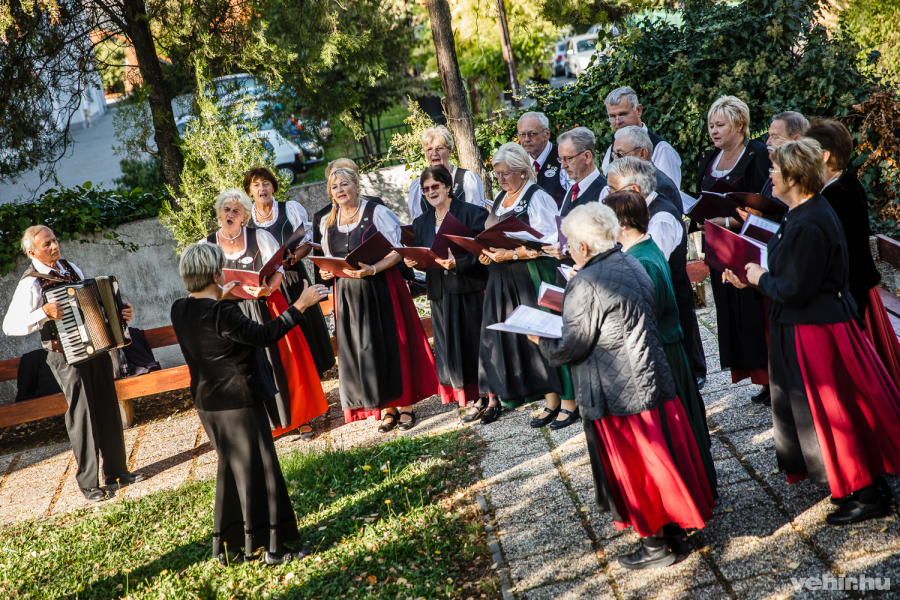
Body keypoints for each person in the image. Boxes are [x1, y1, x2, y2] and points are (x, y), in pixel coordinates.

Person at [724, 139, 900, 526]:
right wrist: (753, 280)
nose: (768, 175)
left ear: (793, 177)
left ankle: (868, 492)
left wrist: (760, 278)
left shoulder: (808, 221)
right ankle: (855, 486)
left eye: (774, 170)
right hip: (814, 326)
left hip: (817, 332)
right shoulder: (803, 211)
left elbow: (795, 289)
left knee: (835, 411)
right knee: (830, 411)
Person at [532, 203, 713, 569]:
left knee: (639, 469)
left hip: (617, 390)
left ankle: (655, 546)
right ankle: (673, 531)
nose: (567, 248)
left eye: (570, 242)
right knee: (662, 461)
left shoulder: (585, 283)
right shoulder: (630, 261)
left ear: (584, 246)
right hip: (651, 377)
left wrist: (541, 341)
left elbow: (573, 345)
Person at [171, 243, 328, 565]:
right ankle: (276, 547)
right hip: (239, 402)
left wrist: (221, 296)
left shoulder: (180, 309)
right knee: (262, 471)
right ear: (216, 274)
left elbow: (210, 321)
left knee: (232, 471)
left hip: (208, 404)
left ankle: (229, 548)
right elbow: (264, 334)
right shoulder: (223, 312)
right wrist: (300, 304)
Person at [2, 226, 144, 502]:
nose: (54, 246)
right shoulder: (31, 283)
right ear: (33, 252)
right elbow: (10, 326)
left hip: (96, 348)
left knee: (107, 406)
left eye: (55, 240)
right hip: (65, 356)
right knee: (82, 415)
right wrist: (42, 312)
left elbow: (93, 304)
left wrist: (119, 314)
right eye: (47, 244)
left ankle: (117, 472)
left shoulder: (70, 268)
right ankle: (88, 484)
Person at [603, 189, 717, 497]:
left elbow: (640, 316)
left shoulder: (642, 261)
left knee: (675, 432)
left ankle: (685, 492)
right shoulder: (643, 249)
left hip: (662, 351)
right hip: (666, 346)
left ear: (623, 225)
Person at [200, 189, 328, 439]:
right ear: (218, 213)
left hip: (266, 305)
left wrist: (270, 286)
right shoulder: (207, 245)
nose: (230, 214)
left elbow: (278, 268)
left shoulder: (260, 237)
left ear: (245, 215)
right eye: (226, 209)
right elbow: (204, 285)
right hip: (231, 312)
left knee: (284, 361)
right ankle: (265, 424)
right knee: (245, 369)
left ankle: (300, 418)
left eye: (236, 210)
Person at [318, 167, 437, 431]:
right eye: (334, 186)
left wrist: (372, 269)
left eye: (344, 184)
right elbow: (330, 260)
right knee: (367, 349)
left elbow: (396, 250)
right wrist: (327, 271)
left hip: (382, 287)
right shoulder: (327, 222)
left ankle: (406, 406)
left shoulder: (377, 213)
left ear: (357, 186)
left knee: (392, 343)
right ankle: (387, 407)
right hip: (350, 296)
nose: (339, 190)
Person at [477, 143, 576, 427]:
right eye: (497, 174)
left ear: (523, 171)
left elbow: (549, 242)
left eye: (506, 173)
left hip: (534, 275)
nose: (501, 179)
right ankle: (550, 400)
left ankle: (569, 400)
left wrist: (512, 253)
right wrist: (487, 253)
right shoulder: (499, 198)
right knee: (529, 340)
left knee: (546, 332)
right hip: (505, 277)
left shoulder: (537, 197)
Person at [805, 119, 900, 384]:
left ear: (823, 156)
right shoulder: (839, 183)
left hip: (852, 293)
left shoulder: (839, 194)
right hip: (853, 289)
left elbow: (849, 254)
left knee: (863, 371)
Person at [605, 143, 708, 389]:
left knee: (678, 372)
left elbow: (649, 267)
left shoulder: (660, 217)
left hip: (666, 305)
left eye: (612, 189)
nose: (607, 195)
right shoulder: (642, 211)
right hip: (656, 305)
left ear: (633, 190)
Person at [696, 95, 772, 403]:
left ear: (739, 124)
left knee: (757, 313)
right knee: (733, 313)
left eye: (720, 125)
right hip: (720, 248)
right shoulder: (707, 158)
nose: (713, 131)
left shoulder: (758, 155)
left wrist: (726, 218)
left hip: (749, 246)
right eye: (710, 125)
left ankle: (775, 377)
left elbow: (765, 204)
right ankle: (761, 379)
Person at [405, 165, 490, 421]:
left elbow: (484, 251)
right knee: (451, 348)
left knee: (473, 343)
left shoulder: (471, 213)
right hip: (440, 293)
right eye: (426, 189)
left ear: (448, 187)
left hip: (468, 288)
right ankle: (469, 395)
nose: (431, 191)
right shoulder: (421, 222)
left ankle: (485, 396)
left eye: (435, 186)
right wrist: (414, 261)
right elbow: (426, 254)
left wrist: (459, 263)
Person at [244, 167, 336, 383]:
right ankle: (294, 386)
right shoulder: (246, 219)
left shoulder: (290, 209)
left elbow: (306, 242)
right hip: (269, 287)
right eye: (256, 184)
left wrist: (292, 258)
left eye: (266, 183)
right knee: (282, 335)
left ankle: (316, 386)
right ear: (249, 191)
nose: (262, 188)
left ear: (273, 186)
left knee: (306, 329)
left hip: (293, 279)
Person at [540, 127, 606, 286]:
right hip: (566, 279)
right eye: (560, 159)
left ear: (587, 156)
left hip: (591, 281)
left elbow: (606, 243)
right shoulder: (572, 188)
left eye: (568, 159)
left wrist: (566, 250)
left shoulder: (604, 191)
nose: (562, 166)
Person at [312, 159, 385, 287]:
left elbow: (392, 246)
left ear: (356, 183)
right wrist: (324, 274)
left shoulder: (375, 208)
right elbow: (324, 257)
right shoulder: (323, 218)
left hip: (377, 281)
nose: (339, 188)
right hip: (344, 286)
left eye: (344, 181)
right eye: (334, 183)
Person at [600, 86, 683, 189]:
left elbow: (670, 194)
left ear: (639, 110)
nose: (617, 121)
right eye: (612, 116)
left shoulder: (661, 149)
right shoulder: (611, 151)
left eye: (623, 114)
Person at [407, 125, 485, 220]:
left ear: (449, 151)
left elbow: (475, 216)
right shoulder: (418, 186)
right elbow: (418, 223)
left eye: (439, 148)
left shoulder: (466, 179)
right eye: (429, 149)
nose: (434, 153)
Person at [516, 111, 571, 206]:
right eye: (522, 134)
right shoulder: (518, 163)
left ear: (547, 134)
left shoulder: (564, 157)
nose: (526, 139)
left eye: (532, 134)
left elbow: (574, 198)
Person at [760, 111, 809, 199]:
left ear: (796, 139)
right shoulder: (778, 165)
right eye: (769, 136)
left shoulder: (803, 174)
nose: (768, 142)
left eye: (775, 137)